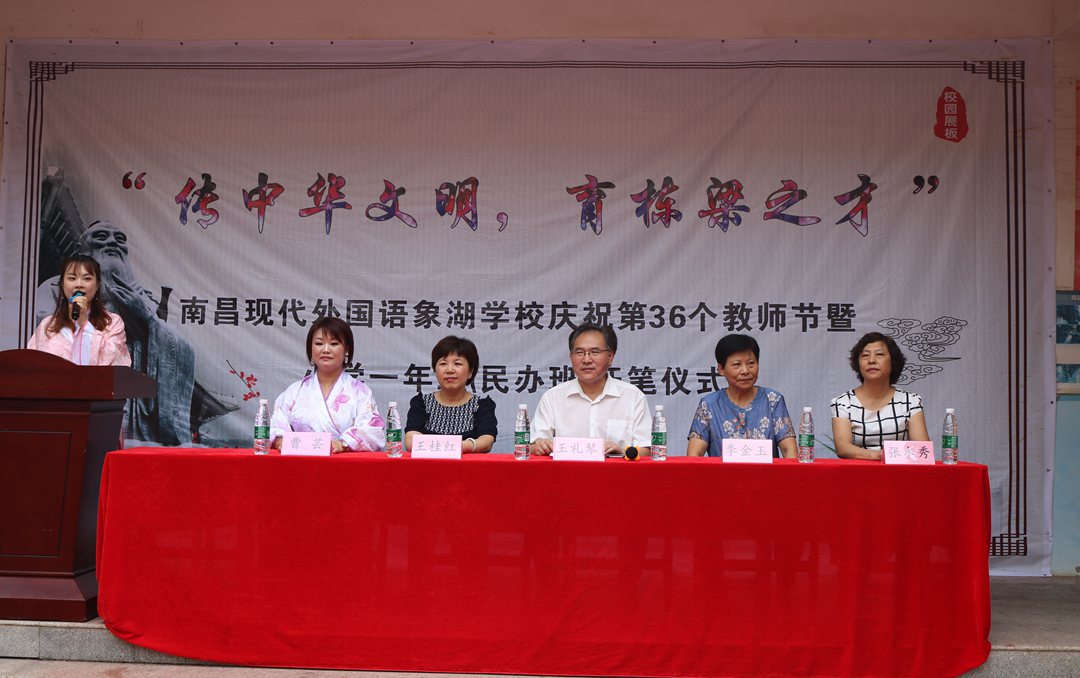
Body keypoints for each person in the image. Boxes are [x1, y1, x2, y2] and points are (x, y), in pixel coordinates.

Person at [531, 323, 652, 455]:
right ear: (571, 357)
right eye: (579, 352)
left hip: (616, 468)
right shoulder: (553, 397)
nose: (586, 360)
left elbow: (647, 450)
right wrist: (539, 446)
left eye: (595, 352)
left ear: (610, 357)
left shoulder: (632, 397)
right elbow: (530, 447)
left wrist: (622, 451)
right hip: (567, 468)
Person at [269, 317, 385, 453]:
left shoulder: (360, 392)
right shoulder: (295, 391)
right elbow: (274, 428)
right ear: (311, 349)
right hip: (301, 462)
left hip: (345, 462)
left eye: (334, 344)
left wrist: (343, 444)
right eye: (319, 343)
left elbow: (373, 432)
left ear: (346, 350)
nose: (325, 350)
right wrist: (280, 441)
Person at [686, 333, 796, 458]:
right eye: (737, 365)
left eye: (751, 363)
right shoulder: (709, 404)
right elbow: (694, 454)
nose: (745, 371)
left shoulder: (773, 400)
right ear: (721, 369)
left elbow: (789, 450)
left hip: (765, 472)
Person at [830, 331, 930, 460]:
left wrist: (889, 457)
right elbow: (843, 448)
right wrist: (884, 456)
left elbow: (922, 448)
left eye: (879, 354)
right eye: (865, 355)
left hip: (899, 470)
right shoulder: (843, 403)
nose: (871, 360)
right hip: (858, 470)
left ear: (893, 362)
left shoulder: (910, 401)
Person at [27, 254, 131, 367]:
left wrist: (85, 325)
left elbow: (112, 368)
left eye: (87, 279)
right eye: (72, 278)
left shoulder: (112, 323)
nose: (79, 284)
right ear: (62, 284)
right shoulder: (47, 325)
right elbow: (32, 367)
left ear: (97, 285)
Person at [404, 336, 497, 453]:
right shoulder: (421, 403)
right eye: (443, 363)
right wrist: (450, 447)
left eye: (457, 364)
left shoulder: (482, 405)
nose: (450, 370)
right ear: (435, 370)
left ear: (470, 372)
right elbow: (410, 441)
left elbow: (487, 440)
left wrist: (460, 447)